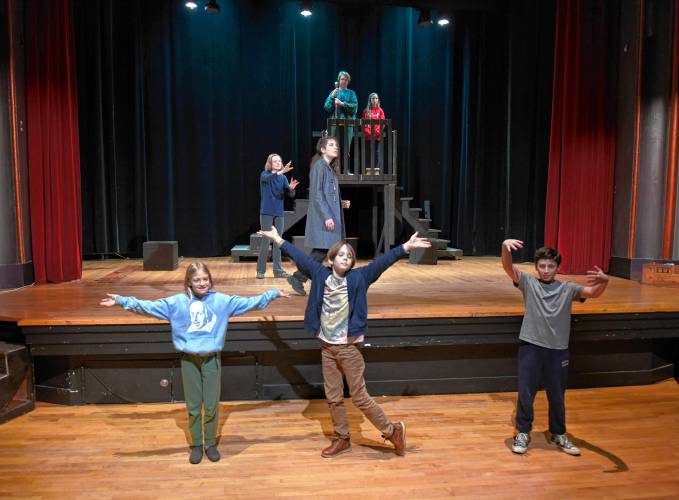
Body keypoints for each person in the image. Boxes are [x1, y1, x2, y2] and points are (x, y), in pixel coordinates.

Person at [258, 225, 432, 458]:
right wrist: (278, 239)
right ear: (331, 260)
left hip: (349, 348)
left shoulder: (359, 277)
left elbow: (381, 263)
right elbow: (299, 257)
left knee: (359, 396)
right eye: (341, 254)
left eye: (349, 256)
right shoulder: (320, 275)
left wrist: (404, 247)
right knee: (333, 397)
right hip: (327, 348)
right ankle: (342, 439)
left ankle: (392, 431)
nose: (346, 258)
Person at [100, 262, 288, 464]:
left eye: (205, 279)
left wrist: (271, 294)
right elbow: (148, 307)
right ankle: (197, 444)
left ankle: (210, 443)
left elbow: (250, 303)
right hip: (189, 360)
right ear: (188, 281)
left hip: (211, 360)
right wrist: (121, 300)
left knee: (212, 405)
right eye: (197, 280)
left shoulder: (221, 301)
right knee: (194, 406)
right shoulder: (176, 303)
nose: (202, 283)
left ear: (210, 280)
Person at [501, 239, 609, 456]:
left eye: (551, 266)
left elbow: (592, 292)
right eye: (542, 266)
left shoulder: (568, 288)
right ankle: (522, 432)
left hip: (558, 349)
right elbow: (508, 267)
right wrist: (505, 247)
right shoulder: (529, 283)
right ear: (536, 267)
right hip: (531, 346)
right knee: (526, 393)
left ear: (558, 268)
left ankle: (558, 433)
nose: (546, 270)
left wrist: (604, 281)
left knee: (557, 395)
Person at [286, 136, 350, 296]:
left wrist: (341, 203)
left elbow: (328, 195)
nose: (335, 147)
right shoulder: (319, 166)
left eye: (336, 145)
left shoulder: (328, 168)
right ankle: (325, 281)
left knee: (323, 252)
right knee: (323, 251)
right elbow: (317, 194)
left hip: (331, 216)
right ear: (322, 149)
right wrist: (327, 216)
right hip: (325, 219)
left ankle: (301, 277)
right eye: (331, 145)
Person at [257, 153, 299, 279]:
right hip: (266, 212)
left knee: (278, 241)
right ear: (270, 163)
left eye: (279, 161)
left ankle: (278, 270)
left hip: (279, 213)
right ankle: (260, 271)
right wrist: (281, 171)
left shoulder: (283, 178)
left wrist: (291, 189)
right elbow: (269, 179)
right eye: (275, 161)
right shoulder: (264, 175)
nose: (278, 163)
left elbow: (290, 195)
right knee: (265, 242)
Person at [324, 70, 358, 168]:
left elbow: (354, 108)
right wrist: (332, 97)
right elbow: (327, 107)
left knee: (346, 148)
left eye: (346, 80)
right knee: (334, 147)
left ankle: (345, 170)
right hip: (335, 124)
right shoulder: (334, 92)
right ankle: (334, 169)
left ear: (348, 81)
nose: (344, 81)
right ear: (338, 80)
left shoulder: (351, 93)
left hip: (348, 124)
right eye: (342, 79)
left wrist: (342, 104)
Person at [361, 93, 385, 172]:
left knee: (377, 154)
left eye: (376, 98)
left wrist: (376, 133)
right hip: (368, 136)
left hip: (377, 136)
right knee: (368, 153)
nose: (374, 100)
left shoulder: (380, 111)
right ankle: (368, 171)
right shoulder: (366, 111)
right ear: (370, 100)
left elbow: (382, 124)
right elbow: (365, 125)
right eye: (373, 98)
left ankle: (376, 171)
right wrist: (369, 133)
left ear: (378, 100)